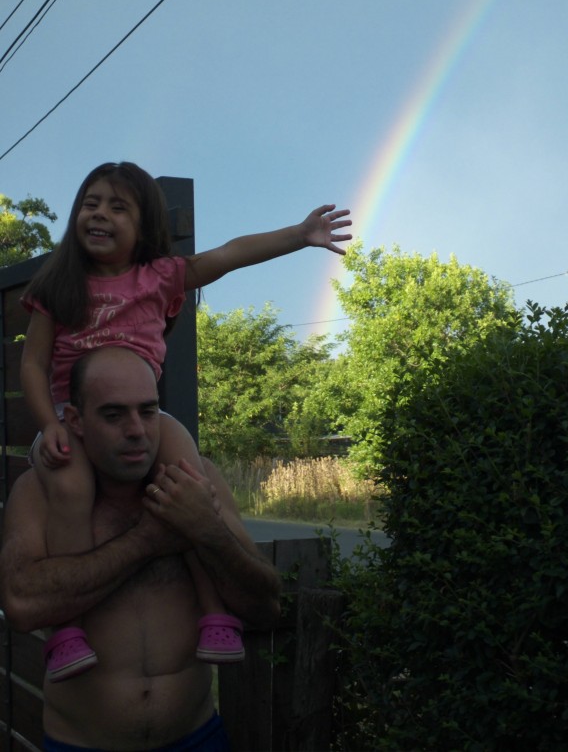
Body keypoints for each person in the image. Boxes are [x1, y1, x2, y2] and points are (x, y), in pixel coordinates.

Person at [19, 161, 351, 681]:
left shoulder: (161, 277)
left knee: (189, 486)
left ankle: (215, 614)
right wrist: (51, 423)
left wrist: (298, 235)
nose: (99, 214)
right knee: (69, 485)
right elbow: (33, 364)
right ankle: (67, 631)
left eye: (116, 206)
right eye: (91, 203)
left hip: (148, 417)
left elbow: (229, 255)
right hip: (70, 416)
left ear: (143, 226)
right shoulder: (58, 285)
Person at [0, 345, 281, 751]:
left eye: (148, 412)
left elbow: (265, 606)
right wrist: (147, 541)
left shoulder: (197, 485)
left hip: (196, 738)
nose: (136, 430)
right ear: (75, 421)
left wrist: (208, 531)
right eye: (114, 415)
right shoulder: (40, 493)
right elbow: (22, 605)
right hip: (80, 745)